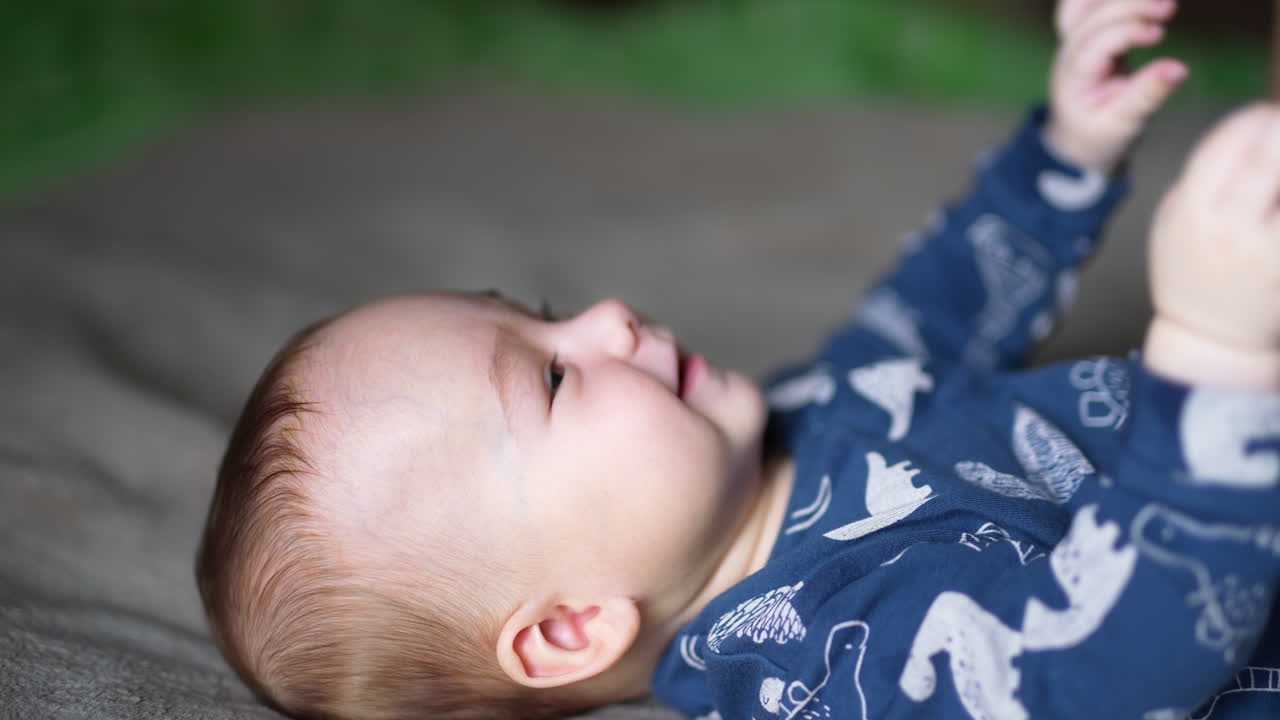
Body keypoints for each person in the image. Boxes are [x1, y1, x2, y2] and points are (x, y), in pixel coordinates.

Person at [195, 0, 1280, 717]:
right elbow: (1105, 667)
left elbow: (938, 306)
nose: (608, 316)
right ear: (575, 627)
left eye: (543, 311)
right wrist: (1212, 352)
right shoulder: (827, 660)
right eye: (552, 377)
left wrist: (1066, 146)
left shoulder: (800, 414)